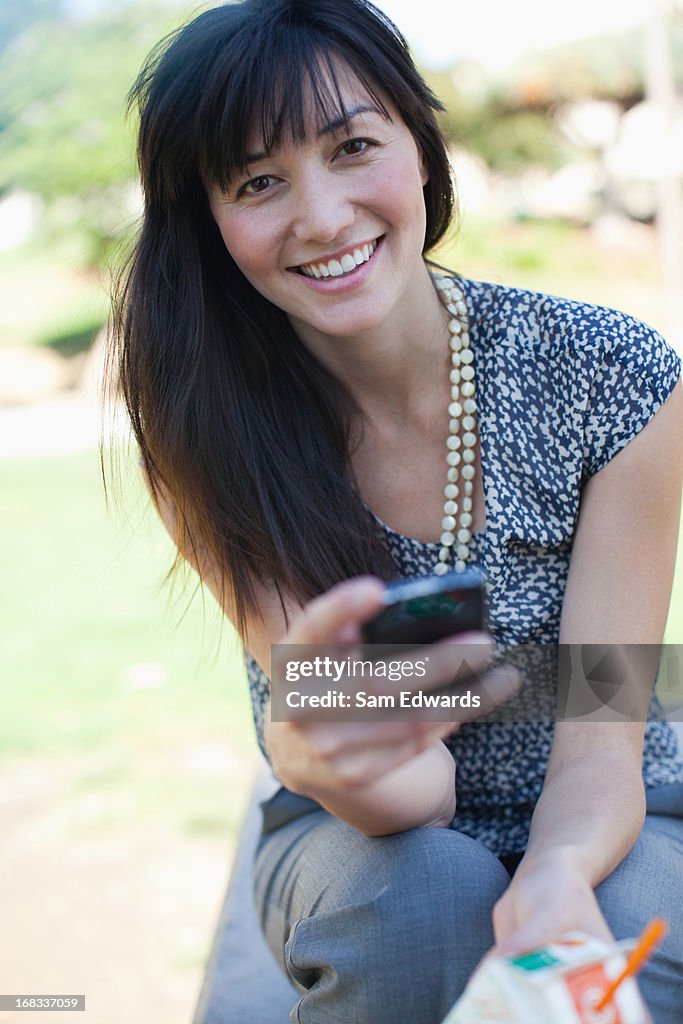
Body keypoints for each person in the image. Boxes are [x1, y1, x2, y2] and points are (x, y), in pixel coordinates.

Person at [110, 1, 683, 1020]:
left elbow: (602, 732)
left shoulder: (613, 380)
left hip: (616, 804)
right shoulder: (212, 431)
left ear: (421, 146)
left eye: (352, 147)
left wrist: (552, 871)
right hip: (358, 832)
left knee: (619, 927)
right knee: (422, 898)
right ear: (208, 219)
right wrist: (312, 735)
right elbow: (414, 799)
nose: (322, 216)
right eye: (256, 182)